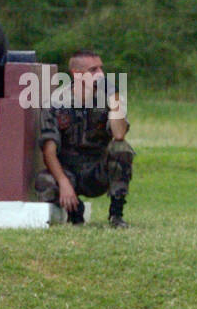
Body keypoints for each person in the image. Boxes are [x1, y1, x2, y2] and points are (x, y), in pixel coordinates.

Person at [34, 49, 133, 228]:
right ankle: (75, 212)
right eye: (94, 70)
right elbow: (49, 151)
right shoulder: (56, 103)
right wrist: (63, 182)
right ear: (77, 74)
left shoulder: (108, 99)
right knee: (44, 181)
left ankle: (116, 215)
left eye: (101, 69)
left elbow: (119, 135)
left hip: (97, 171)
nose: (101, 75)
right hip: (69, 170)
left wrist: (114, 98)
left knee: (122, 148)